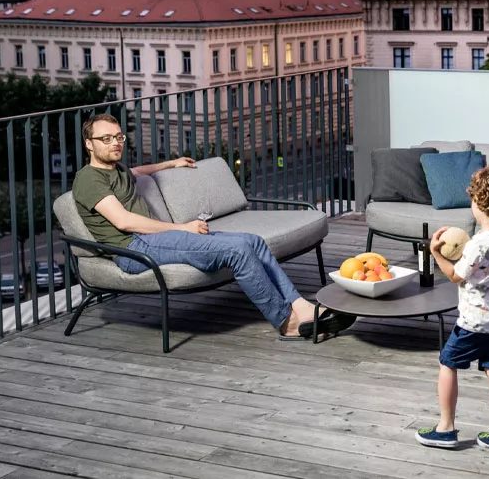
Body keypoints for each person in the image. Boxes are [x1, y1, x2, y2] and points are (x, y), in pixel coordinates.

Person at [71, 113, 352, 340]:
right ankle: (285, 322)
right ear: (89, 144)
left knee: (252, 241)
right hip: (132, 248)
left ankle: (301, 306)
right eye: (105, 139)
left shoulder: (116, 170)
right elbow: (124, 221)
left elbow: (138, 172)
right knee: (239, 251)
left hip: (153, 240)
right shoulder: (88, 179)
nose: (115, 143)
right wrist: (181, 228)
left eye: (118, 137)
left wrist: (171, 163)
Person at [415, 165, 489, 456]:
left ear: (480, 204)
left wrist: (435, 252)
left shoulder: (477, 245)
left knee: (447, 364)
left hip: (475, 321)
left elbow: (455, 276)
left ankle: (446, 428)